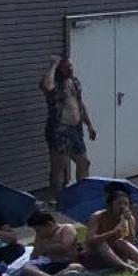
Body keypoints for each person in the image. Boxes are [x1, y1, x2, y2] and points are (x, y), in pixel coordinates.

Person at [39, 56, 95, 191]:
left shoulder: (74, 82)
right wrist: (53, 65)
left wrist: (89, 125)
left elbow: (80, 104)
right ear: (59, 70)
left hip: (75, 129)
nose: (70, 69)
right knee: (59, 165)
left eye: (71, 66)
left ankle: (81, 192)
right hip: (59, 131)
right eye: (66, 67)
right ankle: (57, 197)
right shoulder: (53, 85)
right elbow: (46, 85)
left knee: (84, 162)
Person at [85, 185, 138, 274]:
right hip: (98, 254)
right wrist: (112, 232)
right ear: (110, 206)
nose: (122, 207)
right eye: (119, 204)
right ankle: (129, 268)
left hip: (118, 253)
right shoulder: (97, 217)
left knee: (121, 242)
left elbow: (129, 242)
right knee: (101, 243)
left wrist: (128, 223)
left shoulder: (128, 219)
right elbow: (90, 240)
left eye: (126, 204)